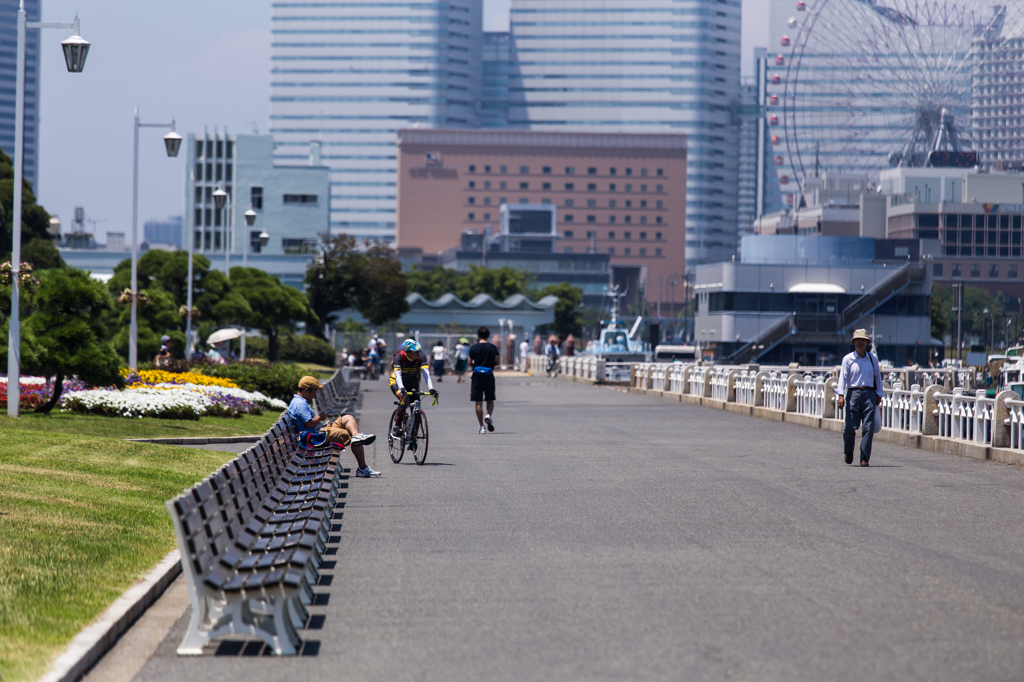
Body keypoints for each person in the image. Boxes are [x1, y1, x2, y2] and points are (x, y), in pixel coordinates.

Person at [287, 375, 380, 478]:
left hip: (320, 429)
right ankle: (362, 468)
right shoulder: (300, 404)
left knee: (347, 418)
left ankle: (356, 436)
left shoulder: (299, 401)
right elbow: (309, 424)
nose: (315, 394)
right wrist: (320, 417)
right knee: (347, 434)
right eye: (314, 391)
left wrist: (320, 419)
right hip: (315, 437)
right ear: (306, 390)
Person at [836, 329, 886, 467]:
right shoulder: (848, 359)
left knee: (868, 427)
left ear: (866, 342)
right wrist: (840, 395)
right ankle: (848, 450)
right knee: (850, 427)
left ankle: (864, 457)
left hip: (869, 394)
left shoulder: (872, 359)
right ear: (854, 342)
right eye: (857, 340)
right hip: (853, 394)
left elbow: (877, 377)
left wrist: (879, 394)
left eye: (862, 340)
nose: (860, 342)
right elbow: (843, 378)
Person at [389, 339, 438, 436]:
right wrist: (402, 388)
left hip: (413, 383)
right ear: (408, 352)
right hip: (397, 383)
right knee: (405, 399)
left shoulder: (421, 357)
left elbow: (426, 374)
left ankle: (413, 435)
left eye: (419, 350)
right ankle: (398, 425)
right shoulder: (399, 357)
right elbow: (398, 375)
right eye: (415, 351)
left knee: (417, 409)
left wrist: (431, 389)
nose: (418, 353)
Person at [469, 327, 500, 434]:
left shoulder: (474, 347)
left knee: (478, 401)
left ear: (478, 335)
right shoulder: (492, 347)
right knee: (490, 399)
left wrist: (476, 364)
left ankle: (481, 426)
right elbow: (497, 362)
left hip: (477, 377)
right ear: (488, 336)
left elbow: (469, 362)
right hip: (489, 376)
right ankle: (489, 415)